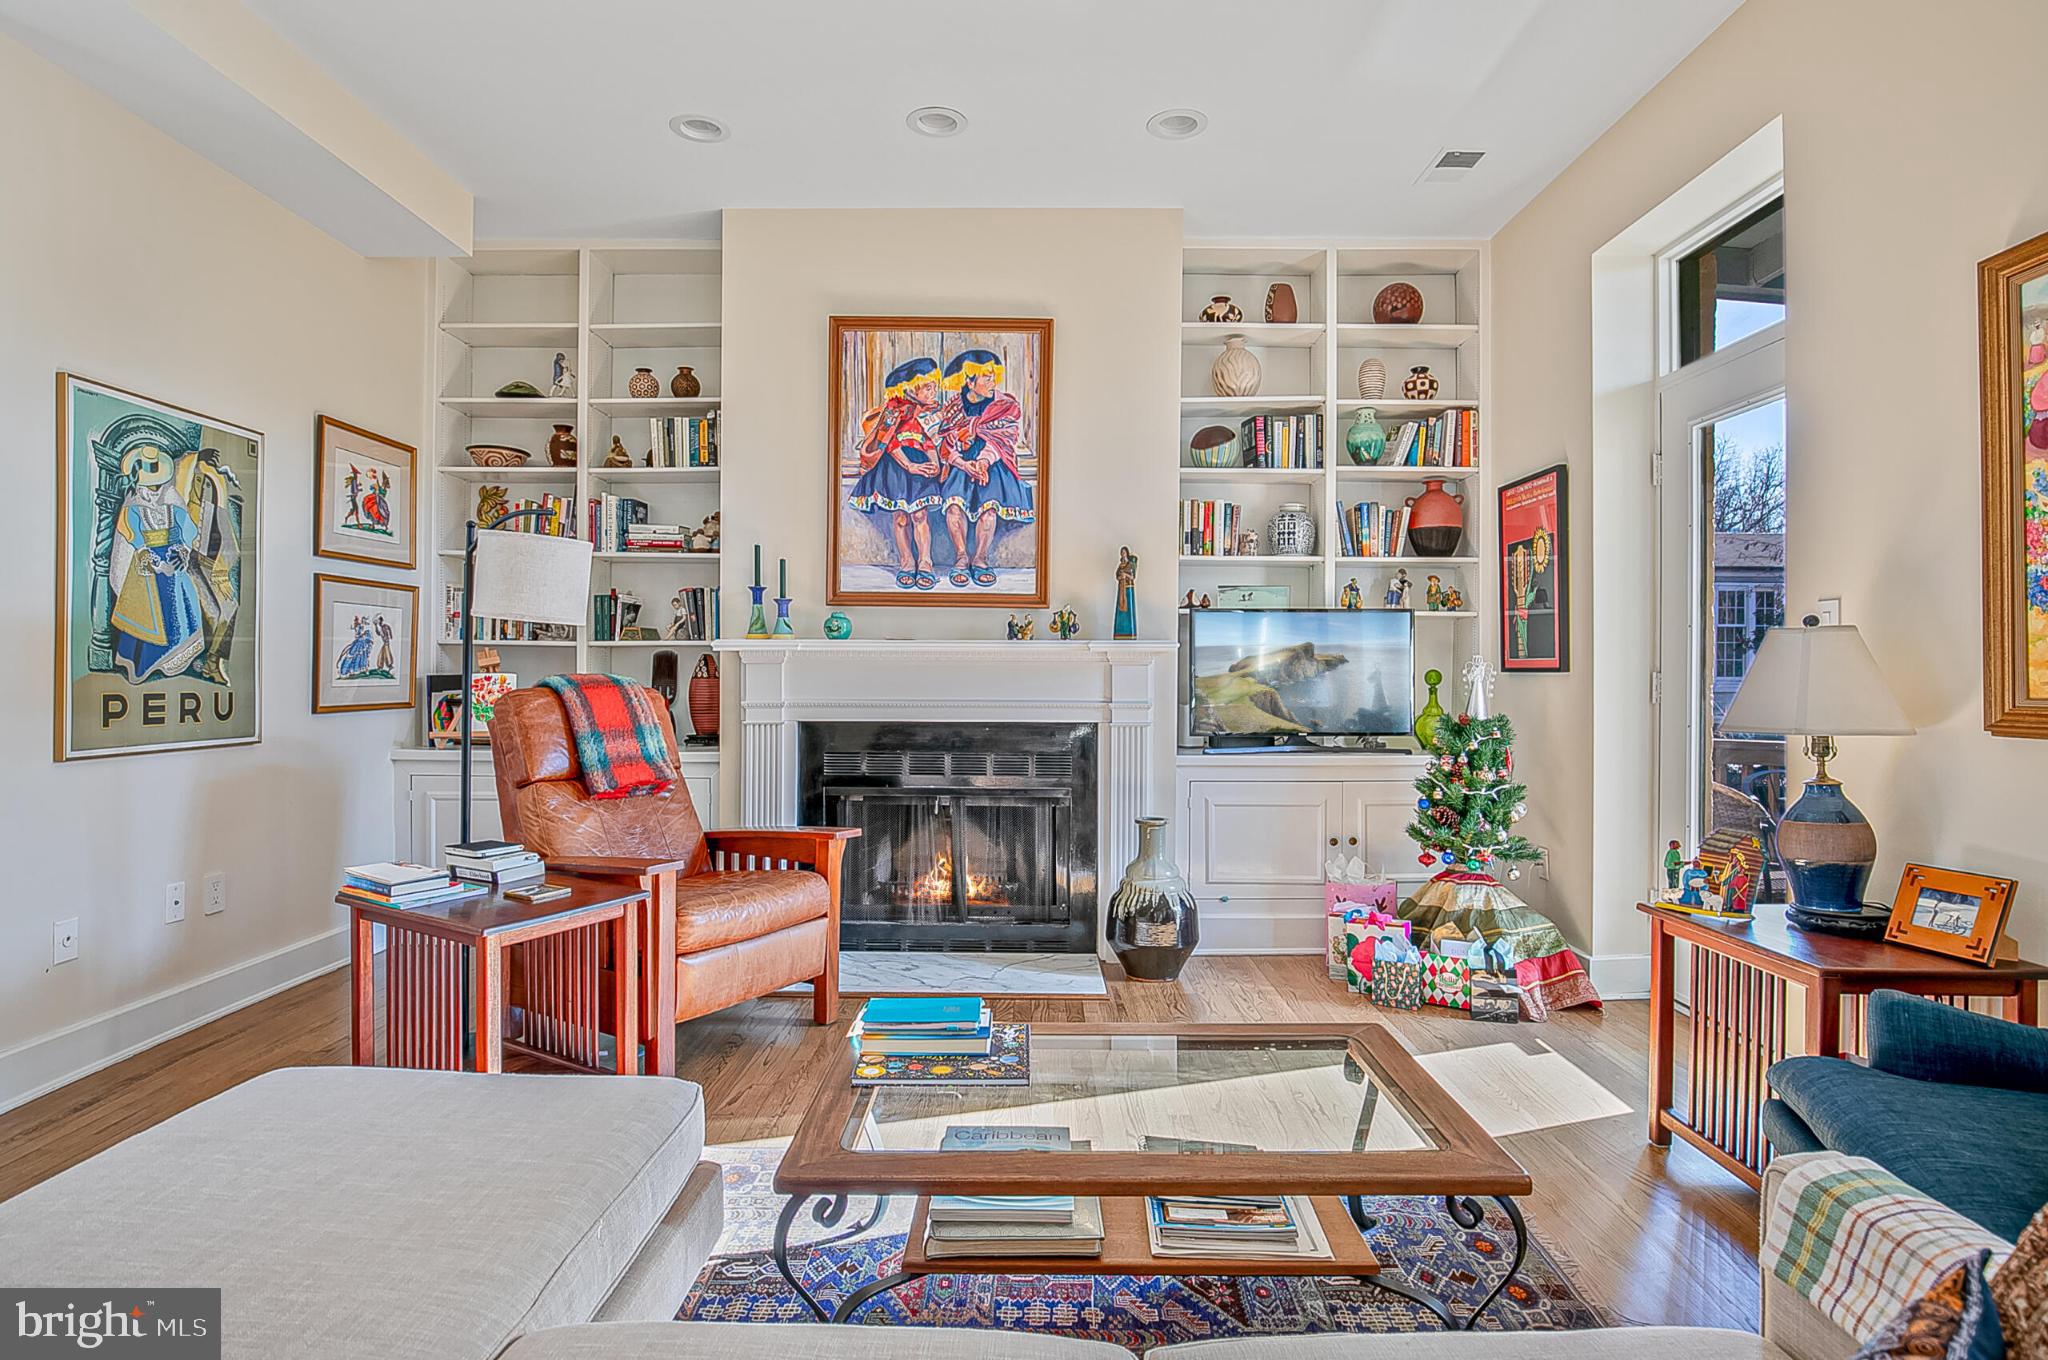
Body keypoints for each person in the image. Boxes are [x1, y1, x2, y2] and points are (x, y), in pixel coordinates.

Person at [935, 349, 1033, 587]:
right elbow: (944, 441)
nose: (993, 381)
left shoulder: (1004, 404)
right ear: (970, 381)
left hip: (993, 463)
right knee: (954, 506)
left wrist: (984, 461)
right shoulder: (952, 407)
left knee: (989, 509)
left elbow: (1006, 437)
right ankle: (961, 557)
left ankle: (980, 558)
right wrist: (963, 463)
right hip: (960, 464)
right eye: (986, 377)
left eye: (993, 376)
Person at [847, 357, 945, 589]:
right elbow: (887, 442)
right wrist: (908, 465)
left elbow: (928, 441)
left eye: (934, 387)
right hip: (897, 466)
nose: (933, 392)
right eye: (928, 388)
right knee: (901, 516)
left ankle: (925, 562)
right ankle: (906, 562)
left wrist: (935, 462)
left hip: (921, 465)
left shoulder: (930, 412)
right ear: (913, 388)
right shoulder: (894, 408)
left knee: (920, 515)